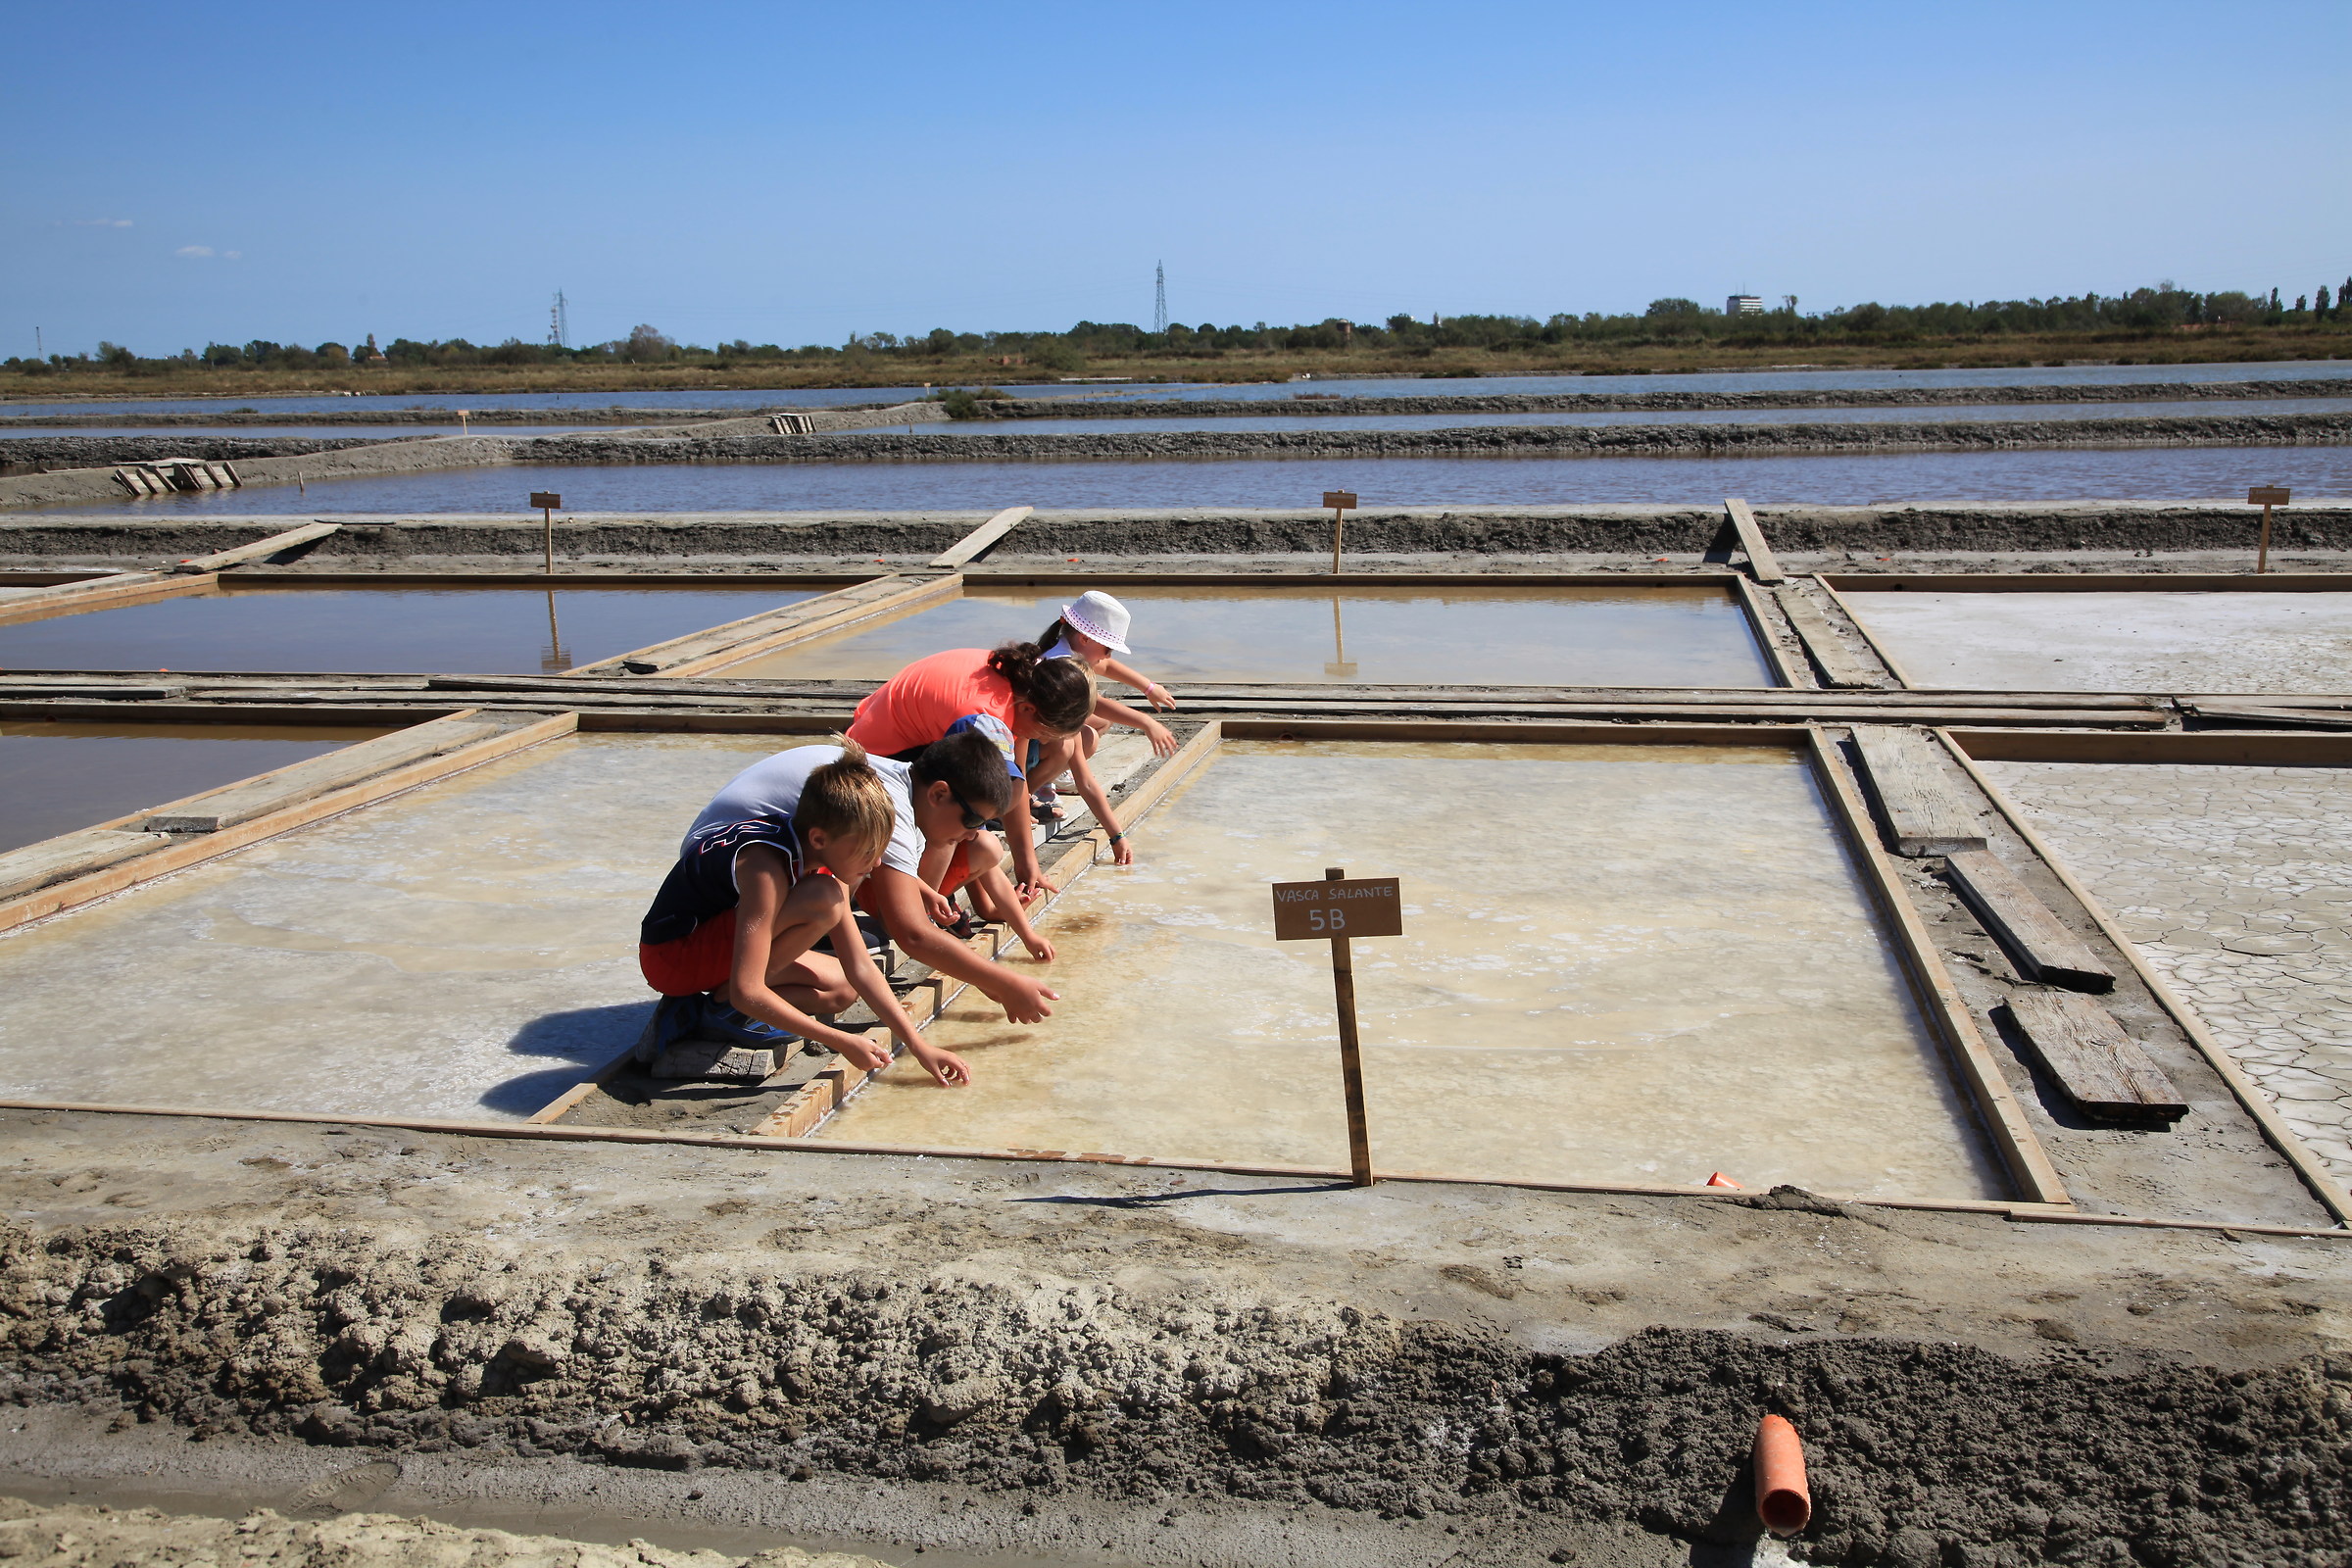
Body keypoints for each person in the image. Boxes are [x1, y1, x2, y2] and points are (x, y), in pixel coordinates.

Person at [638, 739, 971, 1086]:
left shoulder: (822, 859)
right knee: (823, 899)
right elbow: (747, 990)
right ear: (818, 839)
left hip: (712, 943)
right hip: (671, 959)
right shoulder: (765, 869)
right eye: (868, 851)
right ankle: (721, 1008)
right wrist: (840, 1040)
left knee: (840, 990)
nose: (875, 864)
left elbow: (860, 967)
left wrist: (917, 1044)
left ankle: (707, 1013)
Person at [690, 729, 1064, 1026]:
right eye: (973, 821)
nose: (973, 834)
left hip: (740, 874)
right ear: (938, 793)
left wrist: (986, 978)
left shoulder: (898, 783)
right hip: (718, 894)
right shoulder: (894, 810)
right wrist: (1004, 981)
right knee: (830, 897)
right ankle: (733, 998)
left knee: (841, 976)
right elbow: (912, 933)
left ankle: (748, 985)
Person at [845, 641, 1095, 903]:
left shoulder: (1024, 688)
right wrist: (986, 904)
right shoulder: (981, 716)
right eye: (1044, 734)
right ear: (1029, 710)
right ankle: (913, 911)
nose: (1042, 743)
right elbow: (967, 815)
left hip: (894, 730)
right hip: (871, 756)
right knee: (953, 829)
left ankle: (922, 900)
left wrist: (1027, 864)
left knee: (971, 826)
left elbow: (1017, 782)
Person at [1027, 590, 1179, 865]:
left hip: (1040, 735)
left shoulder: (1069, 646)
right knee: (1082, 738)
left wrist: (1149, 687)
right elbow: (1094, 702)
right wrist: (1146, 722)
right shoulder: (1059, 664)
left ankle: (1051, 771)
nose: (1108, 655)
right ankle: (1032, 786)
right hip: (1032, 743)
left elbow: (1104, 665)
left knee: (1099, 725)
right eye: (1107, 646)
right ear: (1085, 638)